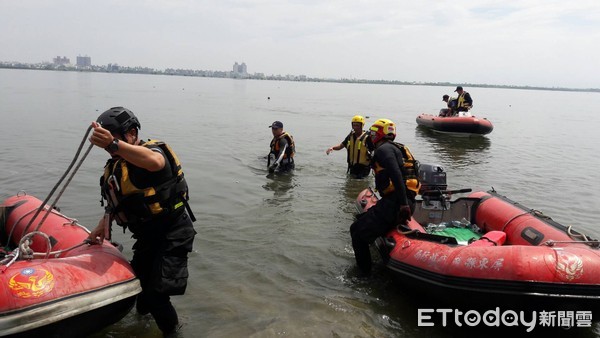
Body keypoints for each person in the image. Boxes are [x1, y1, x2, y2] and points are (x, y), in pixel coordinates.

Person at [87, 106, 197, 336]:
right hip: (148, 236)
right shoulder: (117, 165)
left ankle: (173, 333)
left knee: (156, 295)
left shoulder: (151, 152)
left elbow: (155, 162)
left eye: (114, 139)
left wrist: (113, 144)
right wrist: (99, 229)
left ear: (132, 134)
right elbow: (117, 203)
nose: (109, 149)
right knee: (138, 286)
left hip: (173, 233)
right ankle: (141, 324)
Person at [349, 118, 421, 276]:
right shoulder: (397, 148)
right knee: (358, 223)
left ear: (380, 134)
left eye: (374, 133)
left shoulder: (384, 150)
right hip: (399, 200)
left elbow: (396, 174)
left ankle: (363, 276)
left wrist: (403, 205)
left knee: (358, 234)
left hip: (396, 203)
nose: (371, 136)